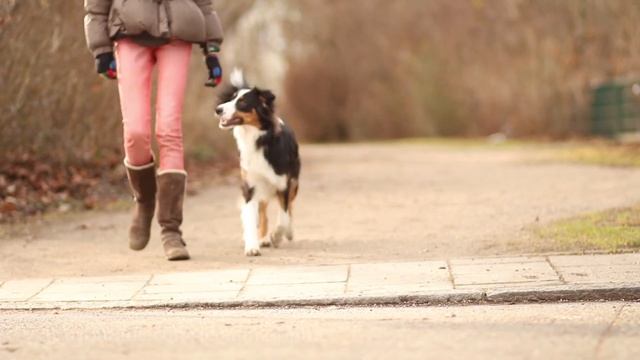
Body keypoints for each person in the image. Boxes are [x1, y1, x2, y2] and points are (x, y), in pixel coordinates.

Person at [83, 0, 224, 261]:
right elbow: (96, 7)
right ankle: (144, 200)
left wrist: (212, 48)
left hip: (178, 34)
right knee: (135, 131)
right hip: (128, 33)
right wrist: (101, 49)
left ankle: (171, 230)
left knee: (169, 128)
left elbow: (204, 3)